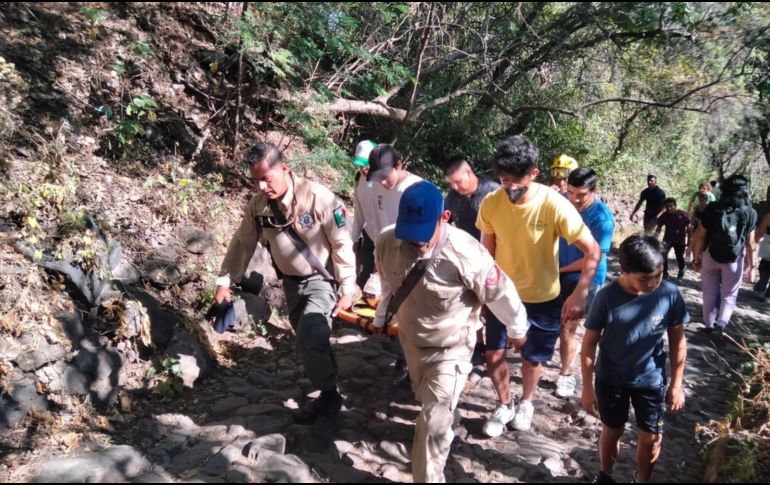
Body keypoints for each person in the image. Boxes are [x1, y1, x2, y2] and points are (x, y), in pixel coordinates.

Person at [373, 181, 529, 483]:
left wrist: (518, 328)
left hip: (451, 349)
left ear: (443, 218)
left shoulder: (466, 252)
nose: (415, 242)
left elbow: (500, 292)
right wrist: (382, 316)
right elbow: (388, 285)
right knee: (430, 406)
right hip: (411, 341)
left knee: (432, 423)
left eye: (422, 233)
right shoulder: (387, 241)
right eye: (410, 232)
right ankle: (446, 412)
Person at [215, 143, 358, 428]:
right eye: (255, 179)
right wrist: (224, 282)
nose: (261, 185)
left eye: (266, 178)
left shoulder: (319, 199)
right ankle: (329, 382)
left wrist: (349, 286)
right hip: (290, 285)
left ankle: (330, 396)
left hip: (321, 280)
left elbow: (342, 243)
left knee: (309, 336)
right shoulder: (258, 206)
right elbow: (243, 243)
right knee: (312, 339)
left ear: (284, 169)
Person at [477, 135, 600, 434]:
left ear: (533, 174)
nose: (510, 187)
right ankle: (505, 403)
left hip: (543, 296)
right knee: (493, 354)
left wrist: (581, 293)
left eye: (517, 180)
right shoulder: (491, 203)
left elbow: (592, 251)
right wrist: (481, 293)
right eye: (504, 180)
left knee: (531, 357)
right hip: (502, 295)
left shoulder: (554, 205)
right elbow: (485, 252)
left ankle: (527, 402)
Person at [580, 234, 689, 483]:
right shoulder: (606, 298)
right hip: (610, 378)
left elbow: (677, 342)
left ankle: (642, 479)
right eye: (644, 279)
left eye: (658, 274)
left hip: (651, 380)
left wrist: (676, 384)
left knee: (651, 438)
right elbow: (588, 346)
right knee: (612, 429)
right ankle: (606, 474)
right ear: (625, 271)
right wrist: (587, 388)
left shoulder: (669, 294)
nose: (652, 283)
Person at [556, 168, 616, 398]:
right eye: (571, 192)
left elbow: (594, 256)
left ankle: (566, 374)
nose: (575, 199)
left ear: (593, 191)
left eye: (581, 194)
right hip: (557, 270)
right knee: (554, 323)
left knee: (569, 327)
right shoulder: (561, 202)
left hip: (585, 276)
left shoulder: (602, 218)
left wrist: (559, 269)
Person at [444, 158, 500, 362]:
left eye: (459, 182)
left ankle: (499, 343)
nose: (456, 187)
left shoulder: (492, 192)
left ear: (470, 172)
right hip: (467, 255)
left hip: (496, 254)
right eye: (452, 184)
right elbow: (446, 220)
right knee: (472, 299)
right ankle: (478, 343)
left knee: (493, 301)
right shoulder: (453, 197)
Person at [692, 174, 758, 340]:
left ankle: (708, 325)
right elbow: (751, 243)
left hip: (710, 255)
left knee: (709, 291)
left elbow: (700, 235)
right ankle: (721, 325)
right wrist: (752, 267)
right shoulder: (750, 212)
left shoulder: (714, 207)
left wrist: (696, 257)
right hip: (734, 260)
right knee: (729, 295)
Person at [351, 144, 422, 288]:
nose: (382, 182)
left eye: (385, 176)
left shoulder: (415, 190)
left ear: (399, 165)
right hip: (380, 244)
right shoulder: (374, 183)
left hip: (404, 252)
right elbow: (378, 219)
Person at [350, 139, 378, 288]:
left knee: (379, 282)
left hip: (385, 239)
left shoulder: (383, 182)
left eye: (366, 163)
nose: (364, 168)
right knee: (362, 278)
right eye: (360, 164)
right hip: (368, 235)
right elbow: (359, 209)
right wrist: (354, 239)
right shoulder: (358, 178)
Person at [655, 198, 690, 280]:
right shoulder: (664, 215)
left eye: (671, 206)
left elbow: (689, 228)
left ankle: (682, 268)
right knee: (663, 255)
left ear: (675, 206)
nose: (669, 208)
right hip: (667, 239)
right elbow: (659, 227)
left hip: (679, 240)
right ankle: (665, 273)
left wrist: (689, 241)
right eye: (667, 207)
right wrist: (654, 238)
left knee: (679, 257)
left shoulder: (683, 215)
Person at [753, 212, 770, 300]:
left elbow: (760, 232)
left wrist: (753, 243)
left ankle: (761, 288)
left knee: (765, 267)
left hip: (768, 248)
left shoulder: (768, 216)